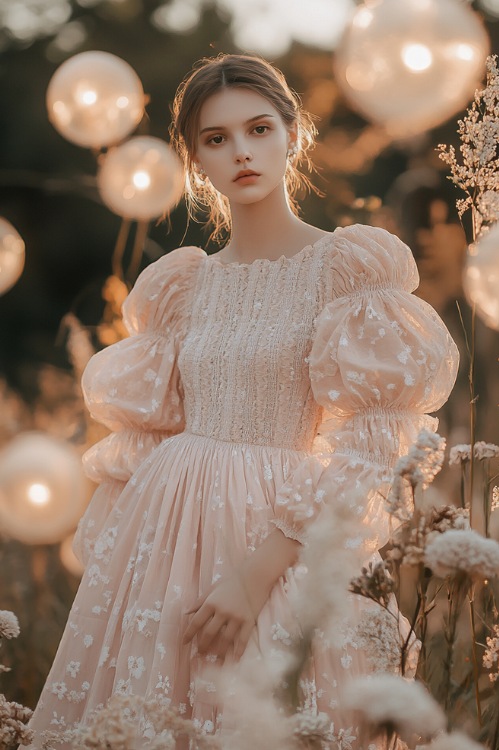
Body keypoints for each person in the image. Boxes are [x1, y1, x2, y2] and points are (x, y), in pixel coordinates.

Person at [27, 54, 459, 748]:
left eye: (258, 129)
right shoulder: (181, 287)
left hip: (280, 543)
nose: (241, 152)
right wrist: (119, 569)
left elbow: (377, 442)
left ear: (294, 133)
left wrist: (259, 572)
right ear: (195, 159)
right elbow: (148, 438)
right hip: (164, 538)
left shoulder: (346, 272)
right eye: (216, 138)